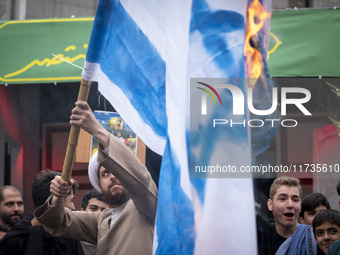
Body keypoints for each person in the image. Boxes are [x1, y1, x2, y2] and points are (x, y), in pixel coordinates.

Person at [34, 101, 158, 255]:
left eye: (117, 171)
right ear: (99, 184)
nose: (113, 176)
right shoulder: (101, 221)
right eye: (105, 173)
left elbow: (142, 183)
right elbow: (57, 222)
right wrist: (57, 196)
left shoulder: (146, 208)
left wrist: (97, 130)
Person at [0, 170, 84, 255]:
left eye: (19, 203)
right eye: (71, 200)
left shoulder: (70, 236)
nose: (73, 208)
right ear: (55, 202)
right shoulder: (15, 240)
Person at [257, 176, 317, 255]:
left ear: (300, 206)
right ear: (270, 204)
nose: (290, 205)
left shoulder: (314, 238)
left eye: (295, 200)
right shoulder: (259, 236)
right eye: (282, 199)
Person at [80, 189, 109, 255]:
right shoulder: (71, 241)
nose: (99, 213)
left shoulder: (118, 241)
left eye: (104, 210)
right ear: (82, 212)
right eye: (93, 208)